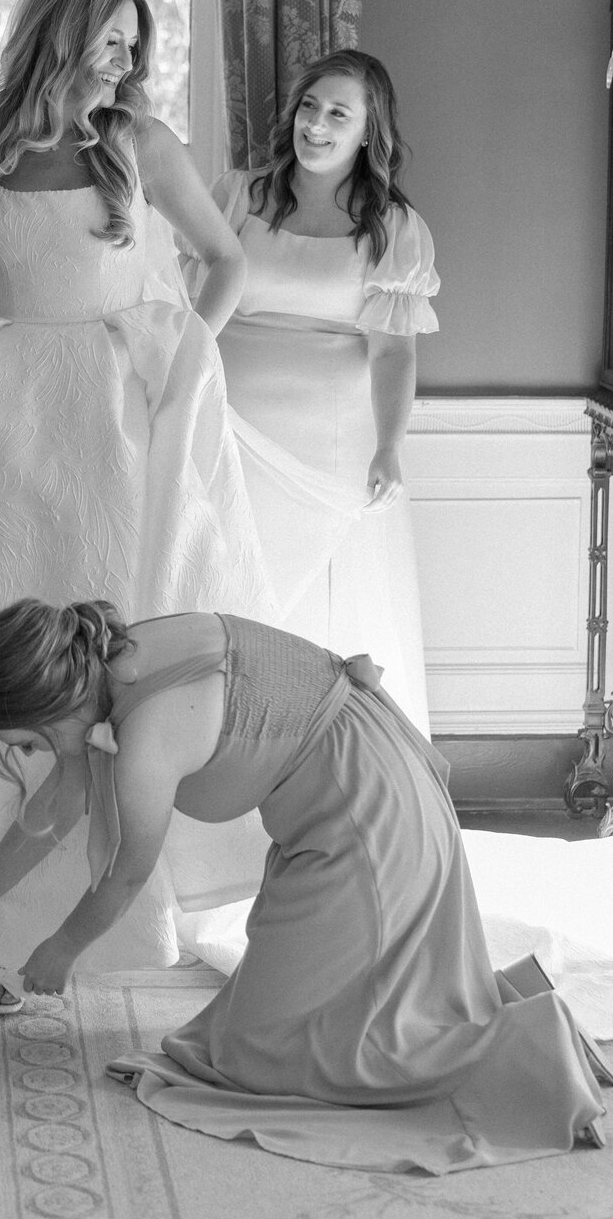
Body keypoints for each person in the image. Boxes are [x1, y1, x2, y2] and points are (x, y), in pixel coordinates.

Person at [0, 0, 277, 1009]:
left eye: (137, 47)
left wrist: (181, 360)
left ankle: (128, 906)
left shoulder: (139, 146)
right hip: (3, 425)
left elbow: (227, 264)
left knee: (108, 646)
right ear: (62, 35)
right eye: (111, 42)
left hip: (112, 418)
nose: (127, 63)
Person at [0, 597, 611, 1174]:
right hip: (353, 798)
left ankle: (530, 1055)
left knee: (270, 1064)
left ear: (51, 705)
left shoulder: (147, 736)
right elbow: (56, 809)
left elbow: (125, 874)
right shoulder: (111, 660)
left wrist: (61, 950)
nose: (33, 758)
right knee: (261, 1037)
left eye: (28, 743)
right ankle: (487, 1024)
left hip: (370, 823)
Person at [205, 49, 438, 732]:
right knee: (234, 583)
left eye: (339, 113)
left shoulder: (394, 228)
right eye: (310, 106)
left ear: (370, 130)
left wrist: (389, 447)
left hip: (331, 437)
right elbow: (193, 311)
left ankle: (322, 750)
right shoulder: (238, 196)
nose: (317, 124)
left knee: (318, 597)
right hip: (229, 423)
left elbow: (393, 351)